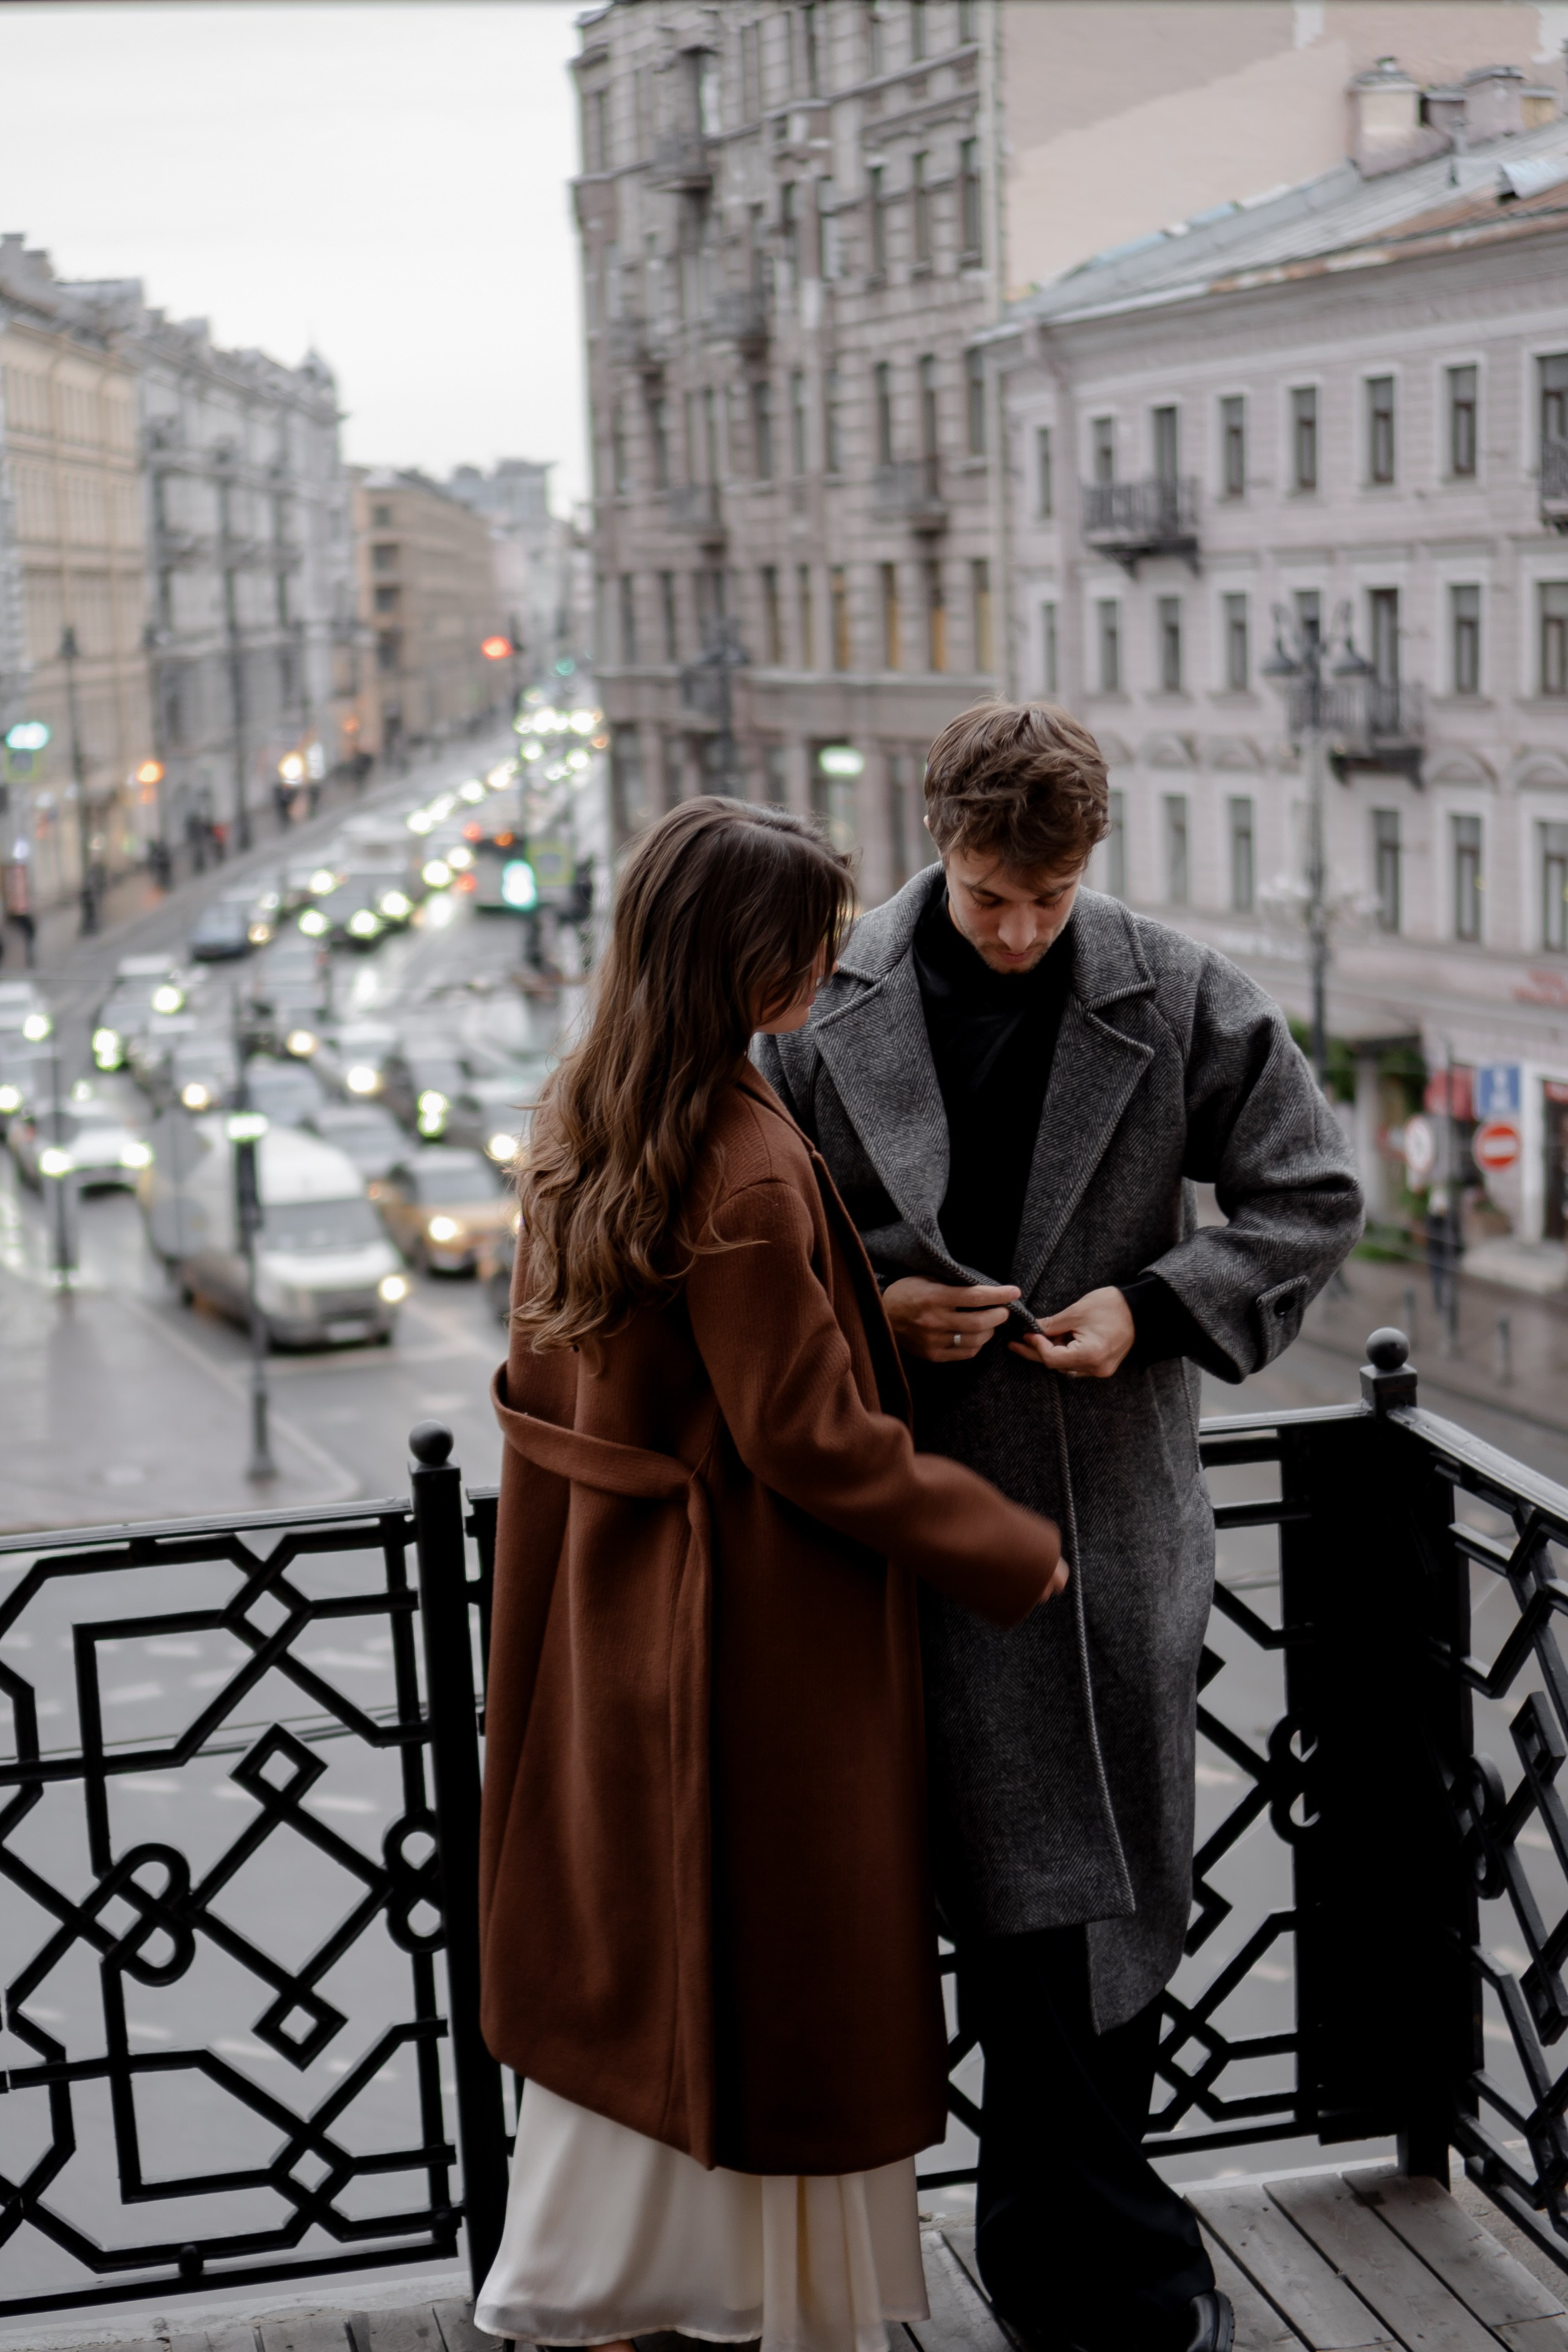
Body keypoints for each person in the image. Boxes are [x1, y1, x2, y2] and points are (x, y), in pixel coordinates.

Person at [757, 701, 1365, 2352]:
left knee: (1090, 1908)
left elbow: (1311, 1193)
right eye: (987, 898)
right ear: (937, 841)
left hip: (1105, 1539)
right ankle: (1084, 2266)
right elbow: (755, 1246)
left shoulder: (1171, 989)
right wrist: (884, 1307)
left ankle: (1080, 2264)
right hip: (898, 1538)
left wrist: (1153, 1310)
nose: (1018, 931)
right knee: (949, 1910)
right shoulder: (820, 1003)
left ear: (1088, 863)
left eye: (1048, 897)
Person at [475, 797, 1065, 2352]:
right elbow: (810, 1443)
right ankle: (764, 2310)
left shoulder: (593, 1109)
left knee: (643, 1989)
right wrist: (1010, 1549)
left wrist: (856, 1294)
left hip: (619, 1624)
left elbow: (636, 1367)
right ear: (746, 954)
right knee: (770, 1978)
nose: (829, 958)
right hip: (752, 1644)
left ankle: (630, 2297)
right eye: (809, 936)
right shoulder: (740, 1153)